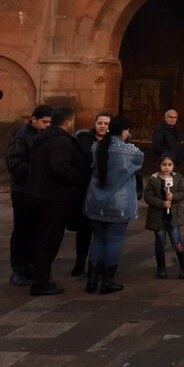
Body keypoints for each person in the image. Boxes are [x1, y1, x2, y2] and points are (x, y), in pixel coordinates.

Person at [24, 107, 89, 296]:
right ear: (67, 122)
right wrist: (77, 179)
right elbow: (60, 166)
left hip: (36, 194)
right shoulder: (60, 141)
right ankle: (40, 282)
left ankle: (37, 273)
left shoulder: (41, 139)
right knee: (49, 239)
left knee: (39, 237)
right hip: (53, 198)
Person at [83, 116, 144, 294]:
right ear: (124, 130)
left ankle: (92, 279)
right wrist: (127, 141)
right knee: (114, 240)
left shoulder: (97, 147)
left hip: (96, 200)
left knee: (98, 239)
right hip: (119, 202)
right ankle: (107, 281)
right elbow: (139, 161)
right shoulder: (130, 150)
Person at [6, 105, 52, 286]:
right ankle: (18, 267)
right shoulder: (21, 136)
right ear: (34, 119)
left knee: (38, 230)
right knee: (21, 230)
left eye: (50, 122)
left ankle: (32, 265)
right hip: (23, 190)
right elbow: (15, 164)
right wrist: (39, 171)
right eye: (44, 121)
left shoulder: (44, 136)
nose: (47, 125)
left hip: (39, 191)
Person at [70, 112, 112, 277]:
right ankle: (80, 261)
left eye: (106, 123)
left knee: (102, 230)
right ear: (95, 123)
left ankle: (99, 263)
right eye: (100, 122)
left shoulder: (115, 143)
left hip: (106, 191)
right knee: (84, 229)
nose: (102, 126)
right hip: (86, 190)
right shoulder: (83, 141)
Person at [145, 154, 184, 279]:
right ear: (159, 165)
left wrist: (173, 197)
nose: (166, 168)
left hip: (173, 217)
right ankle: (161, 267)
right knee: (160, 242)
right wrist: (162, 203)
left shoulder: (177, 178)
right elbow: (148, 197)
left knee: (176, 240)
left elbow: (183, 192)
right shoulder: (153, 179)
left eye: (169, 165)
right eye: (164, 164)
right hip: (158, 218)